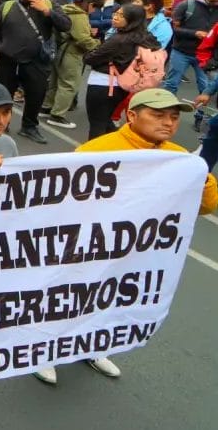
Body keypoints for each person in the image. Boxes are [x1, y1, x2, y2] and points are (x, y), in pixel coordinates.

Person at [33, 89, 217, 386]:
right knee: (68, 296)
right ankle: (44, 350)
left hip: (136, 249)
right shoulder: (99, 151)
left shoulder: (178, 156)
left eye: (173, 117)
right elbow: (63, 199)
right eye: (158, 115)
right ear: (132, 116)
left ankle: (91, 346)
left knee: (110, 300)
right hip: (88, 244)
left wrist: (202, 175)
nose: (168, 123)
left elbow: (206, 205)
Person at [0, 0, 71, 144]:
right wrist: (0, 48)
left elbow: (66, 25)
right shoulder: (8, 7)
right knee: (5, 94)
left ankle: (29, 126)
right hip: (8, 60)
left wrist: (47, 11)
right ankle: (3, 125)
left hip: (37, 61)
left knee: (36, 94)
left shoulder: (50, 6)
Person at [83, 3, 161, 139]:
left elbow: (90, 58)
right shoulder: (147, 38)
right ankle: (118, 147)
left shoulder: (118, 40)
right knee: (106, 120)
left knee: (97, 124)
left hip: (103, 84)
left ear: (131, 20)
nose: (115, 18)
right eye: (115, 14)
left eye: (120, 16)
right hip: (124, 86)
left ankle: (92, 156)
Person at [43, 0, 102, 129]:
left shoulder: (66, 9)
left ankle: (47, 107)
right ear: (91, 5)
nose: (94, 12)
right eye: (95, 9)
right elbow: (82, 39)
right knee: (69, 84)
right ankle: (57, 115)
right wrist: (98, 43)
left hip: (59, 49)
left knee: (55, 81)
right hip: (72, 53)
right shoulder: (80, 16)